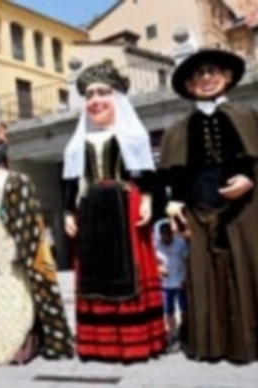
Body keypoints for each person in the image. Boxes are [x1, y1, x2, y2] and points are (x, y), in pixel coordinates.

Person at [159, 37, 258, 363]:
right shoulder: (178, 129)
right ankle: (214, 344)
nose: (206, 78)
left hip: (246, 210)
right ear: (189, 84)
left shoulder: (250, 116)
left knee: (252, 271)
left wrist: (248, 177)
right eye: (198, 74)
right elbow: (175, 174)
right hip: (201, 212)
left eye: (212, 71)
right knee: (208, 278)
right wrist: (175, 204)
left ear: (228, 77)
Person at [0, 84, 74, 365]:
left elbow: (28, 225)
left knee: (14, 301)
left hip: (12, 256)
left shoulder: (17, 180)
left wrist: (22, 253)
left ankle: (18, 344)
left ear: (4, 149)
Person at [62, 59, 165, 363]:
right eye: (89, 95)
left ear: (117, 98)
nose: (95, 101)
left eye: (102, 93)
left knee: (129, 270)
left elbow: (146, 176)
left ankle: (136, 341)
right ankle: (97, 344)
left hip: (125, 205)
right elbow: (70, 180)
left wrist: (147, 198)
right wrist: (68, 212)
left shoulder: (134, 136)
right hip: (91, 210)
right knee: (94, 274)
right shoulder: (77, 143)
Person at [154, 220, 188, 351]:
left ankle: (184, 334)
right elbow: (155, 260)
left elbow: (186, 260)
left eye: (168, 235)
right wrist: (159, 268)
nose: (166, 239)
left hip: (180, 280)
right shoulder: (157, 245)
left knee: (184, 309)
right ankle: (173, 336)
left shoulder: (180, 243)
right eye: (163, 236)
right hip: (166, 283)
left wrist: (185, 278)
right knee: (169, 311)